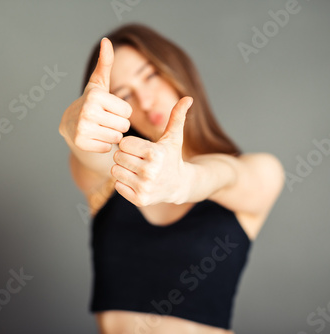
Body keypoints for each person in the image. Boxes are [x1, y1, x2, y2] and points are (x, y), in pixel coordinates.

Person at [59, 24, 284, 334]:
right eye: (123, 94)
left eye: (150, 75)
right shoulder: (115, 173)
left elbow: (226, 177)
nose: (145, 100)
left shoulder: (259, 170)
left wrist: (185, 181)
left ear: (176, 68)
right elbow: (90, 158)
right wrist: (72, 127)